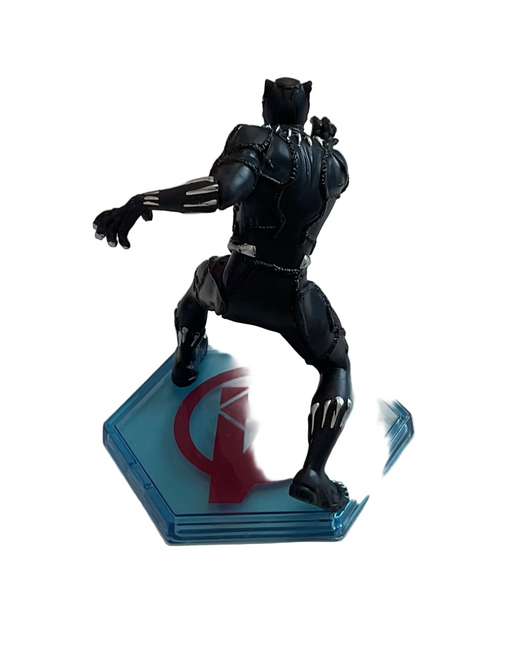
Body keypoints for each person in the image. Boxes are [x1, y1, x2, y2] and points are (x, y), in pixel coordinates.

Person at [94, 78, 353, 512]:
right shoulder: (337, 164)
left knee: (196, 292)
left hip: (239, 283)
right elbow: (321, 187)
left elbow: (220, 192)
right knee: (336, 366)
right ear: (307, 107)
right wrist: (322, 144)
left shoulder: (255, 140)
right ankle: (314, 470)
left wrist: (144, 201)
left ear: (265, 103)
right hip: (294, 295)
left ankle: (185, 360)